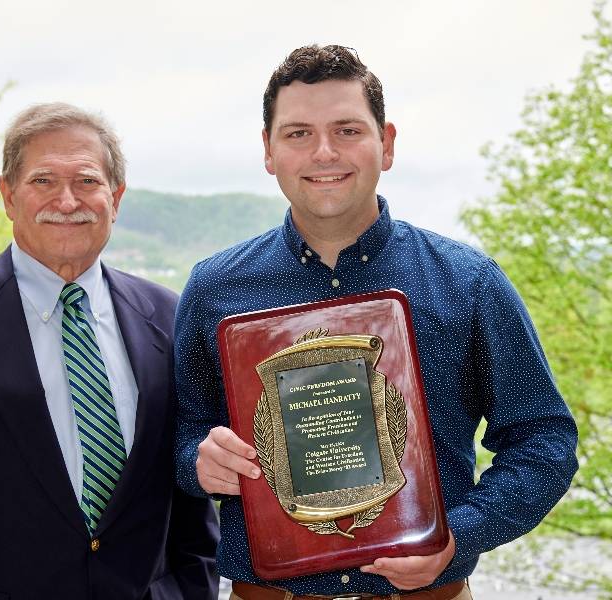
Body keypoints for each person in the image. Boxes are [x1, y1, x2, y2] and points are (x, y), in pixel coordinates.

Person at [174, 45, 578, 600]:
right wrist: (196, 460)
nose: (323, 152)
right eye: (297, 134)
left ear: (385, 144)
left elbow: (543, 440)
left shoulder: (469, 281)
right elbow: (181, 433)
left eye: (347, 130)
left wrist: (460, 534)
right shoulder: (212, 288)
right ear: (268, 151)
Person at [0, 102, 219, 600]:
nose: (67, 200)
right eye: (43, 180)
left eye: (88, 181)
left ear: (116, 198)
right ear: (8, 196)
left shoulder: (165, 315)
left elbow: (188, 502)